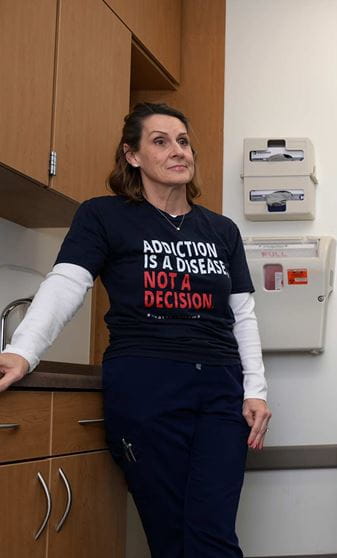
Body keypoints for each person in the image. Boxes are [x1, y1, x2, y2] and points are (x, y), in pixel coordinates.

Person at [0, 102, 271, 557]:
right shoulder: (104, 216)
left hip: (220, 390)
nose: (177, 151)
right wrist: (22, 350)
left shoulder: (221, 230)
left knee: (214, 532)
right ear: (133, 156)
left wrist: (256, 389)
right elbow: (67, 282)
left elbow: (241, 314)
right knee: (168, 532)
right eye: (160, 142)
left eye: (183, 141)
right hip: (146, 385)